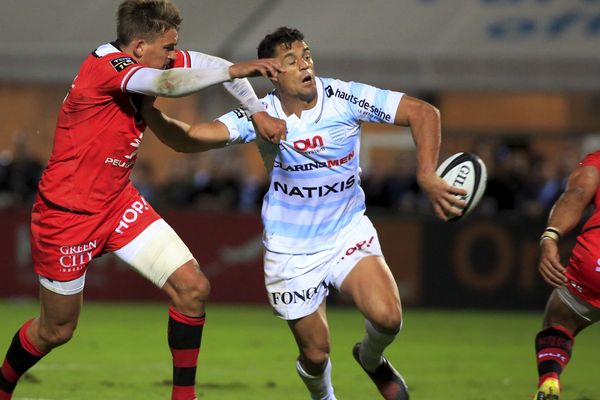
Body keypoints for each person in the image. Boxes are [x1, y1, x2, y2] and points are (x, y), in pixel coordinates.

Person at [140, 26, 466, 399]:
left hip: (346, 232)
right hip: (291, 250)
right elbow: (190, 138)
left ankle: (371, 358)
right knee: (315, 353)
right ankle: (323, 396)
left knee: (388, 317)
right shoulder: (261, 115)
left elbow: (423, 112)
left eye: (307, 55)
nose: (305, 64)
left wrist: (426, 174)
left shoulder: (343, 97)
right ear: (272, 73)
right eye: (291, 61)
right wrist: (150, 113)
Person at [0, 1, 286, 400]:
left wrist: (255, 111)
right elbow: (168, 85)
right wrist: (233, 70)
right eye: (168, 49)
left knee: (192, 288)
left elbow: (213, 64)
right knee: (56, 330)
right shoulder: (106, 67)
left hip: (118, 204)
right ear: (138, 48)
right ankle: (2, 385)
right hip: (67, 215)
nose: (173, 57)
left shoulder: (150, 57)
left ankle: (183, 397)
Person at [534, 151, 600, 400]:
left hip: (596, 262)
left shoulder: (597, 161)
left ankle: (550, 379)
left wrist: (550, 237)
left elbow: (577, 193)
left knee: (561, 318)